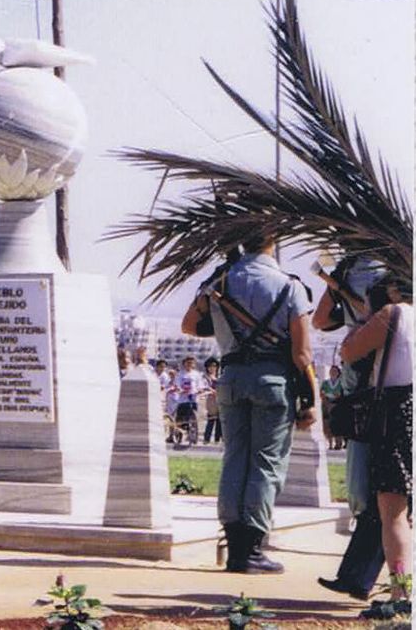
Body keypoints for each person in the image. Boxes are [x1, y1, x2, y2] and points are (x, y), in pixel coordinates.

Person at [180, 233, 315, 574]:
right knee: (265, 464)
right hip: (273, 381)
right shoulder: (290, 286)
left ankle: (233, 540)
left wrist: (227, 326)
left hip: (231, 377)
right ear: (274, 242)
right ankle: (251, 549)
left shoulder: (221, 281)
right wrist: (311, 398)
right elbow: (301, 354)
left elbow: (189, 325)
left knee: (235, 458)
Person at [315, 257, 398, 600]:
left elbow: (320, 319)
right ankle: (359, 577)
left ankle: (361, 577)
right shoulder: (397, 261)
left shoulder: (347, 269)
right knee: (386, 492)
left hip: (364, 389)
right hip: (387, 391)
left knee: (372, 492)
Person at [336, 273, 412, 610]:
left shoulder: (394, 315)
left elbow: (350, 351)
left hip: (398, 414)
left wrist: (366, 316)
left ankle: (402, 594)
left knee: (393, 511)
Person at [175, 356, 204, 447]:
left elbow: (200, 385)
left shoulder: (197, 374)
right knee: (181, 418)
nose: (189, 365)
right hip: (183, 399)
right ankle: (179, 434)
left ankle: (193, 433)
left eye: (191, 363)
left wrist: (200, 390)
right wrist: (180, 390)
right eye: (188, 363)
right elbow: (177, 384)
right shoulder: (180, 374)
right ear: (184, 364)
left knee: (193, 415)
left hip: (193, 398)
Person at [201, 358, 222, 444]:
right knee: (211, 419)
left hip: (220, 399)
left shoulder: (220, 376)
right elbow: (204, 386)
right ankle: (207, 439)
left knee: (219, 420)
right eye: (210, 366)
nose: (212, 368)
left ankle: (217, 439)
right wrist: (213, 391)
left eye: (214, 366)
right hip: (211, 400)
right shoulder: (205, 377)